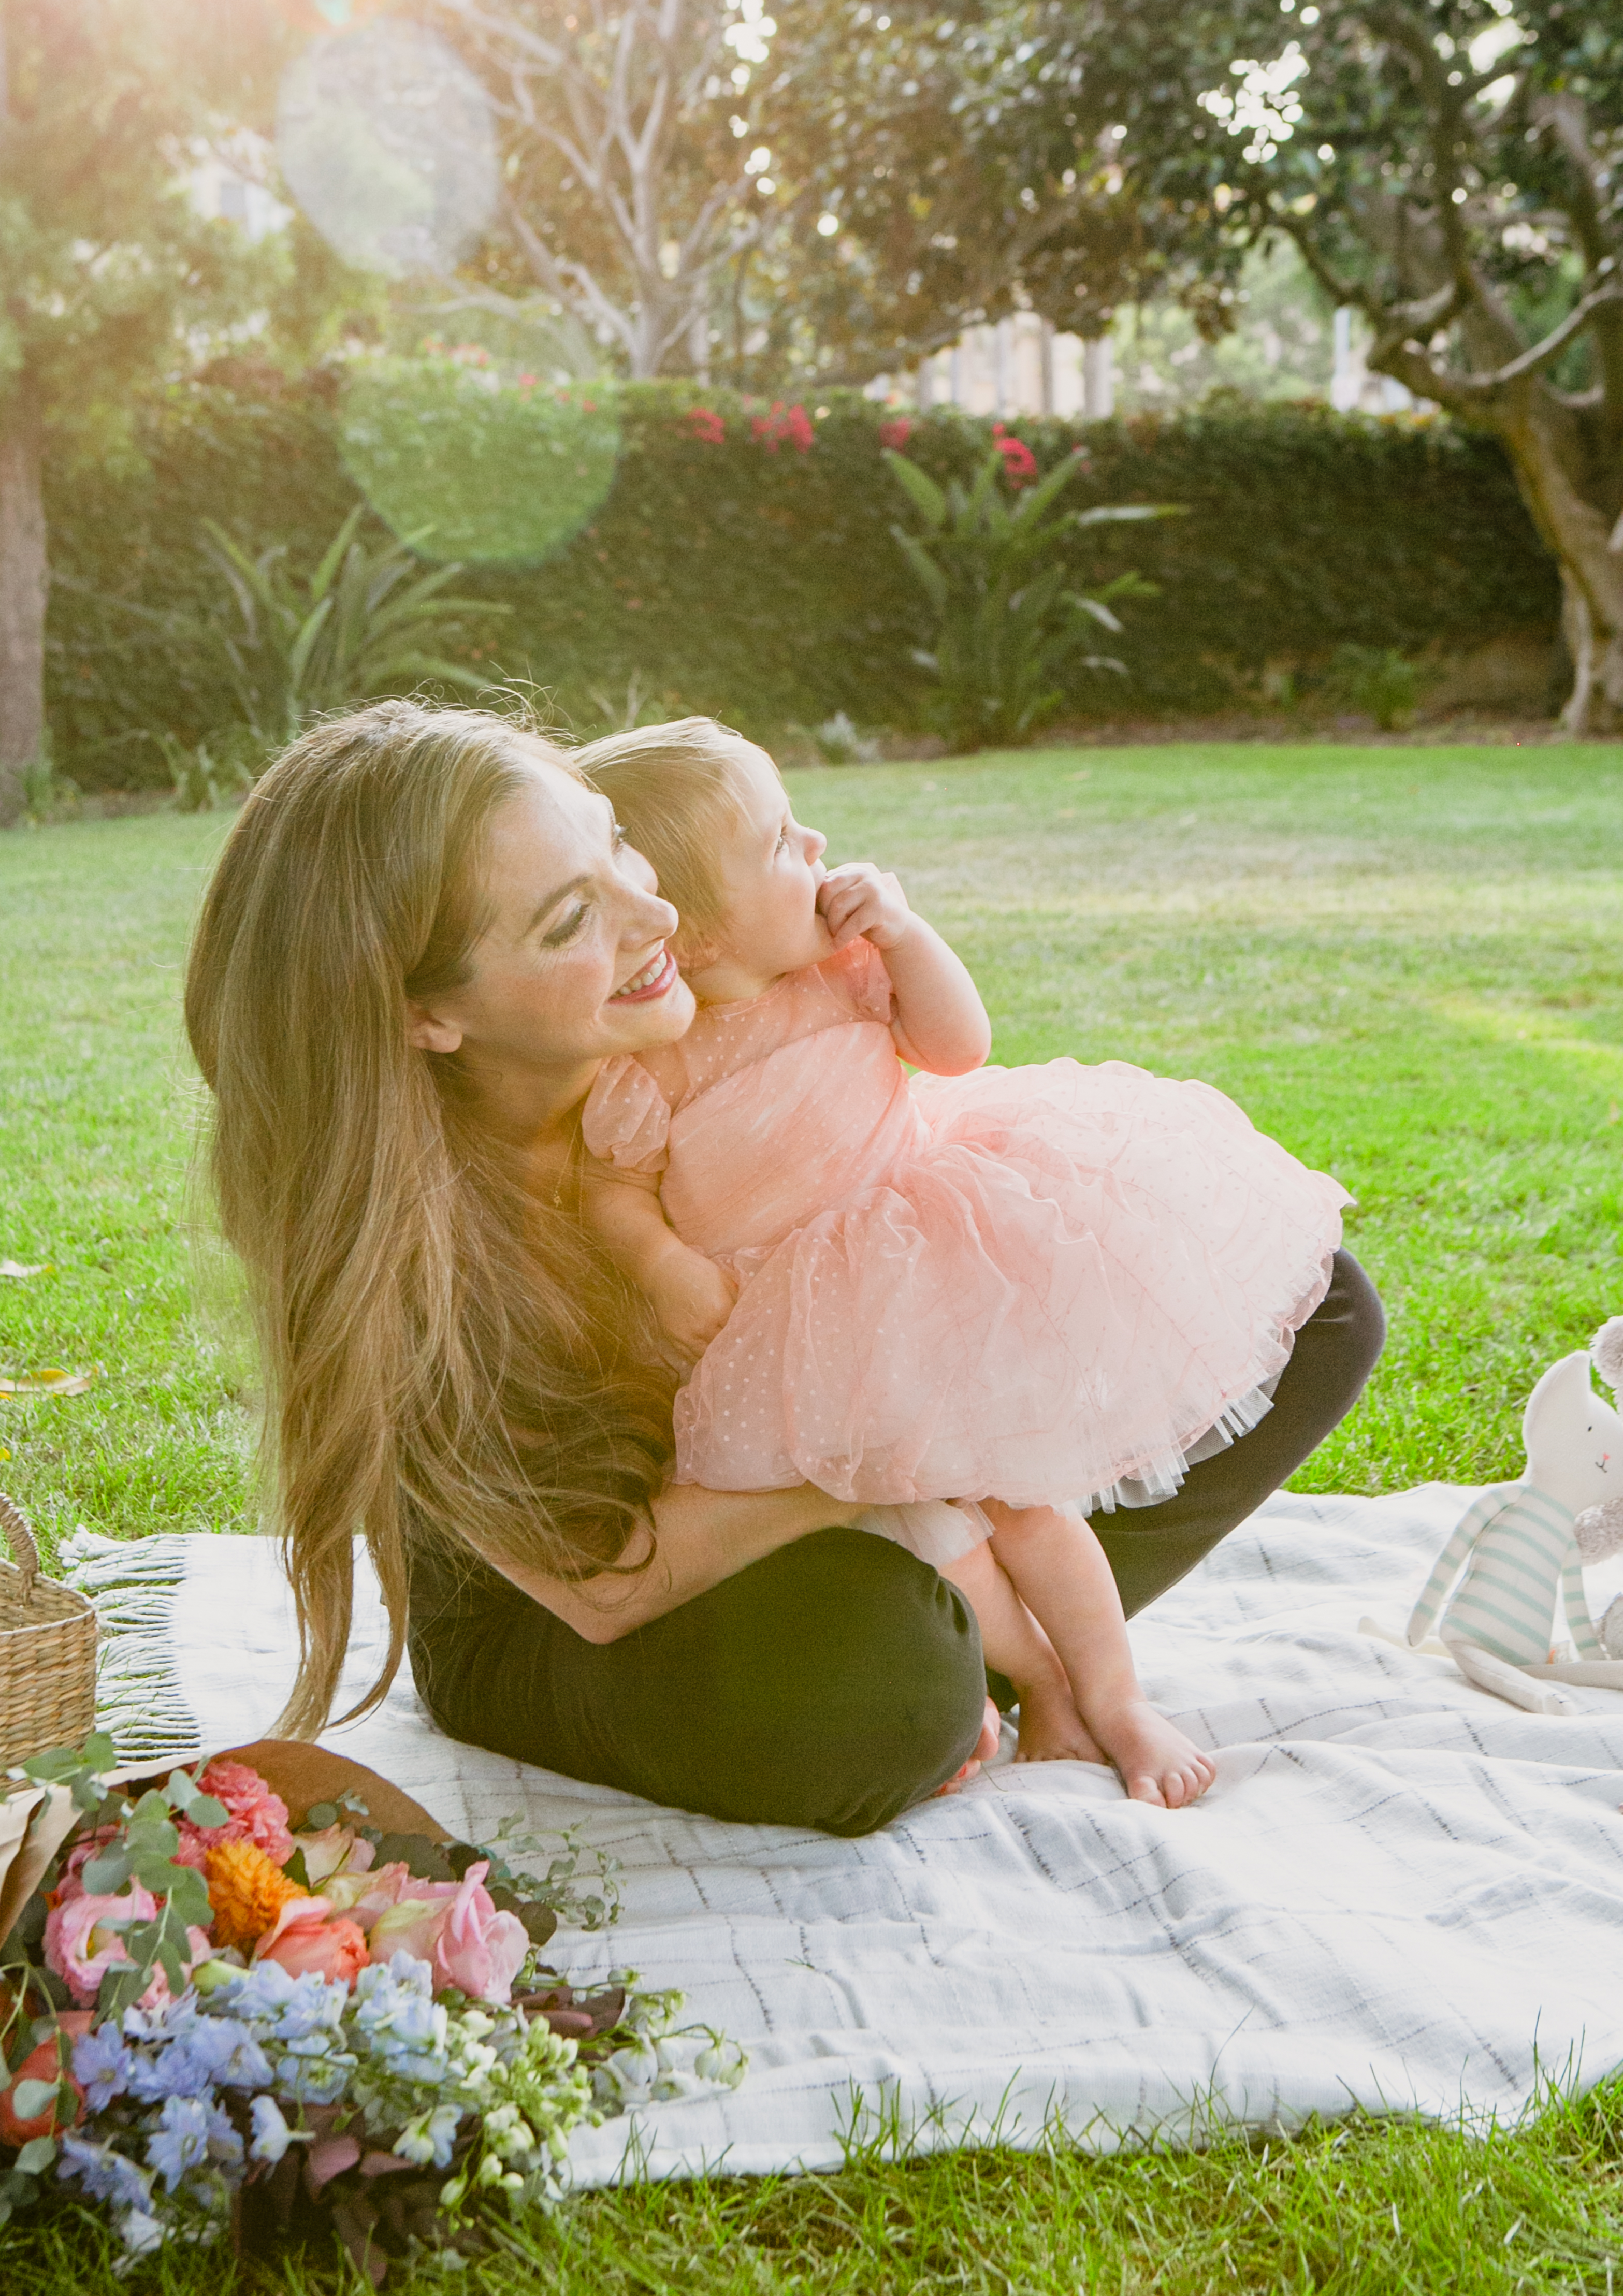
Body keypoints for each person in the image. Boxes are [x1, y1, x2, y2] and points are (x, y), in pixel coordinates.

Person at [185, 700, 1385, 1839]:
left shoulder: (685, 1021)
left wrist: (982, 1371)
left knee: (1301, 1311)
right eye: (567, 922)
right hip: (599, 1602)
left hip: (845, 1463)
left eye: (617, 843)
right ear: (426, 1016)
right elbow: (609, 1584)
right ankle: (969, 1650)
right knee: (878, 1678)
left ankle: (1014, 1642)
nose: (656, 917)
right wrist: (904, 1431)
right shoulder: (409, 1233)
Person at [574, 719, 1353, 1808]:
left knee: (1026, 1503)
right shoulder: (654, 1061)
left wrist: (904, 935)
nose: (818, 845)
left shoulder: (845, 970)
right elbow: (609, 1188)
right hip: (801, 1331)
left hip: (931, 1271)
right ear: (693, 935)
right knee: (941, 1539)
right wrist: (660, 1262)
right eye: (782, 842)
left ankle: (1117, 1694)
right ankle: (1042, 1684)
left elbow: (957, 1048)